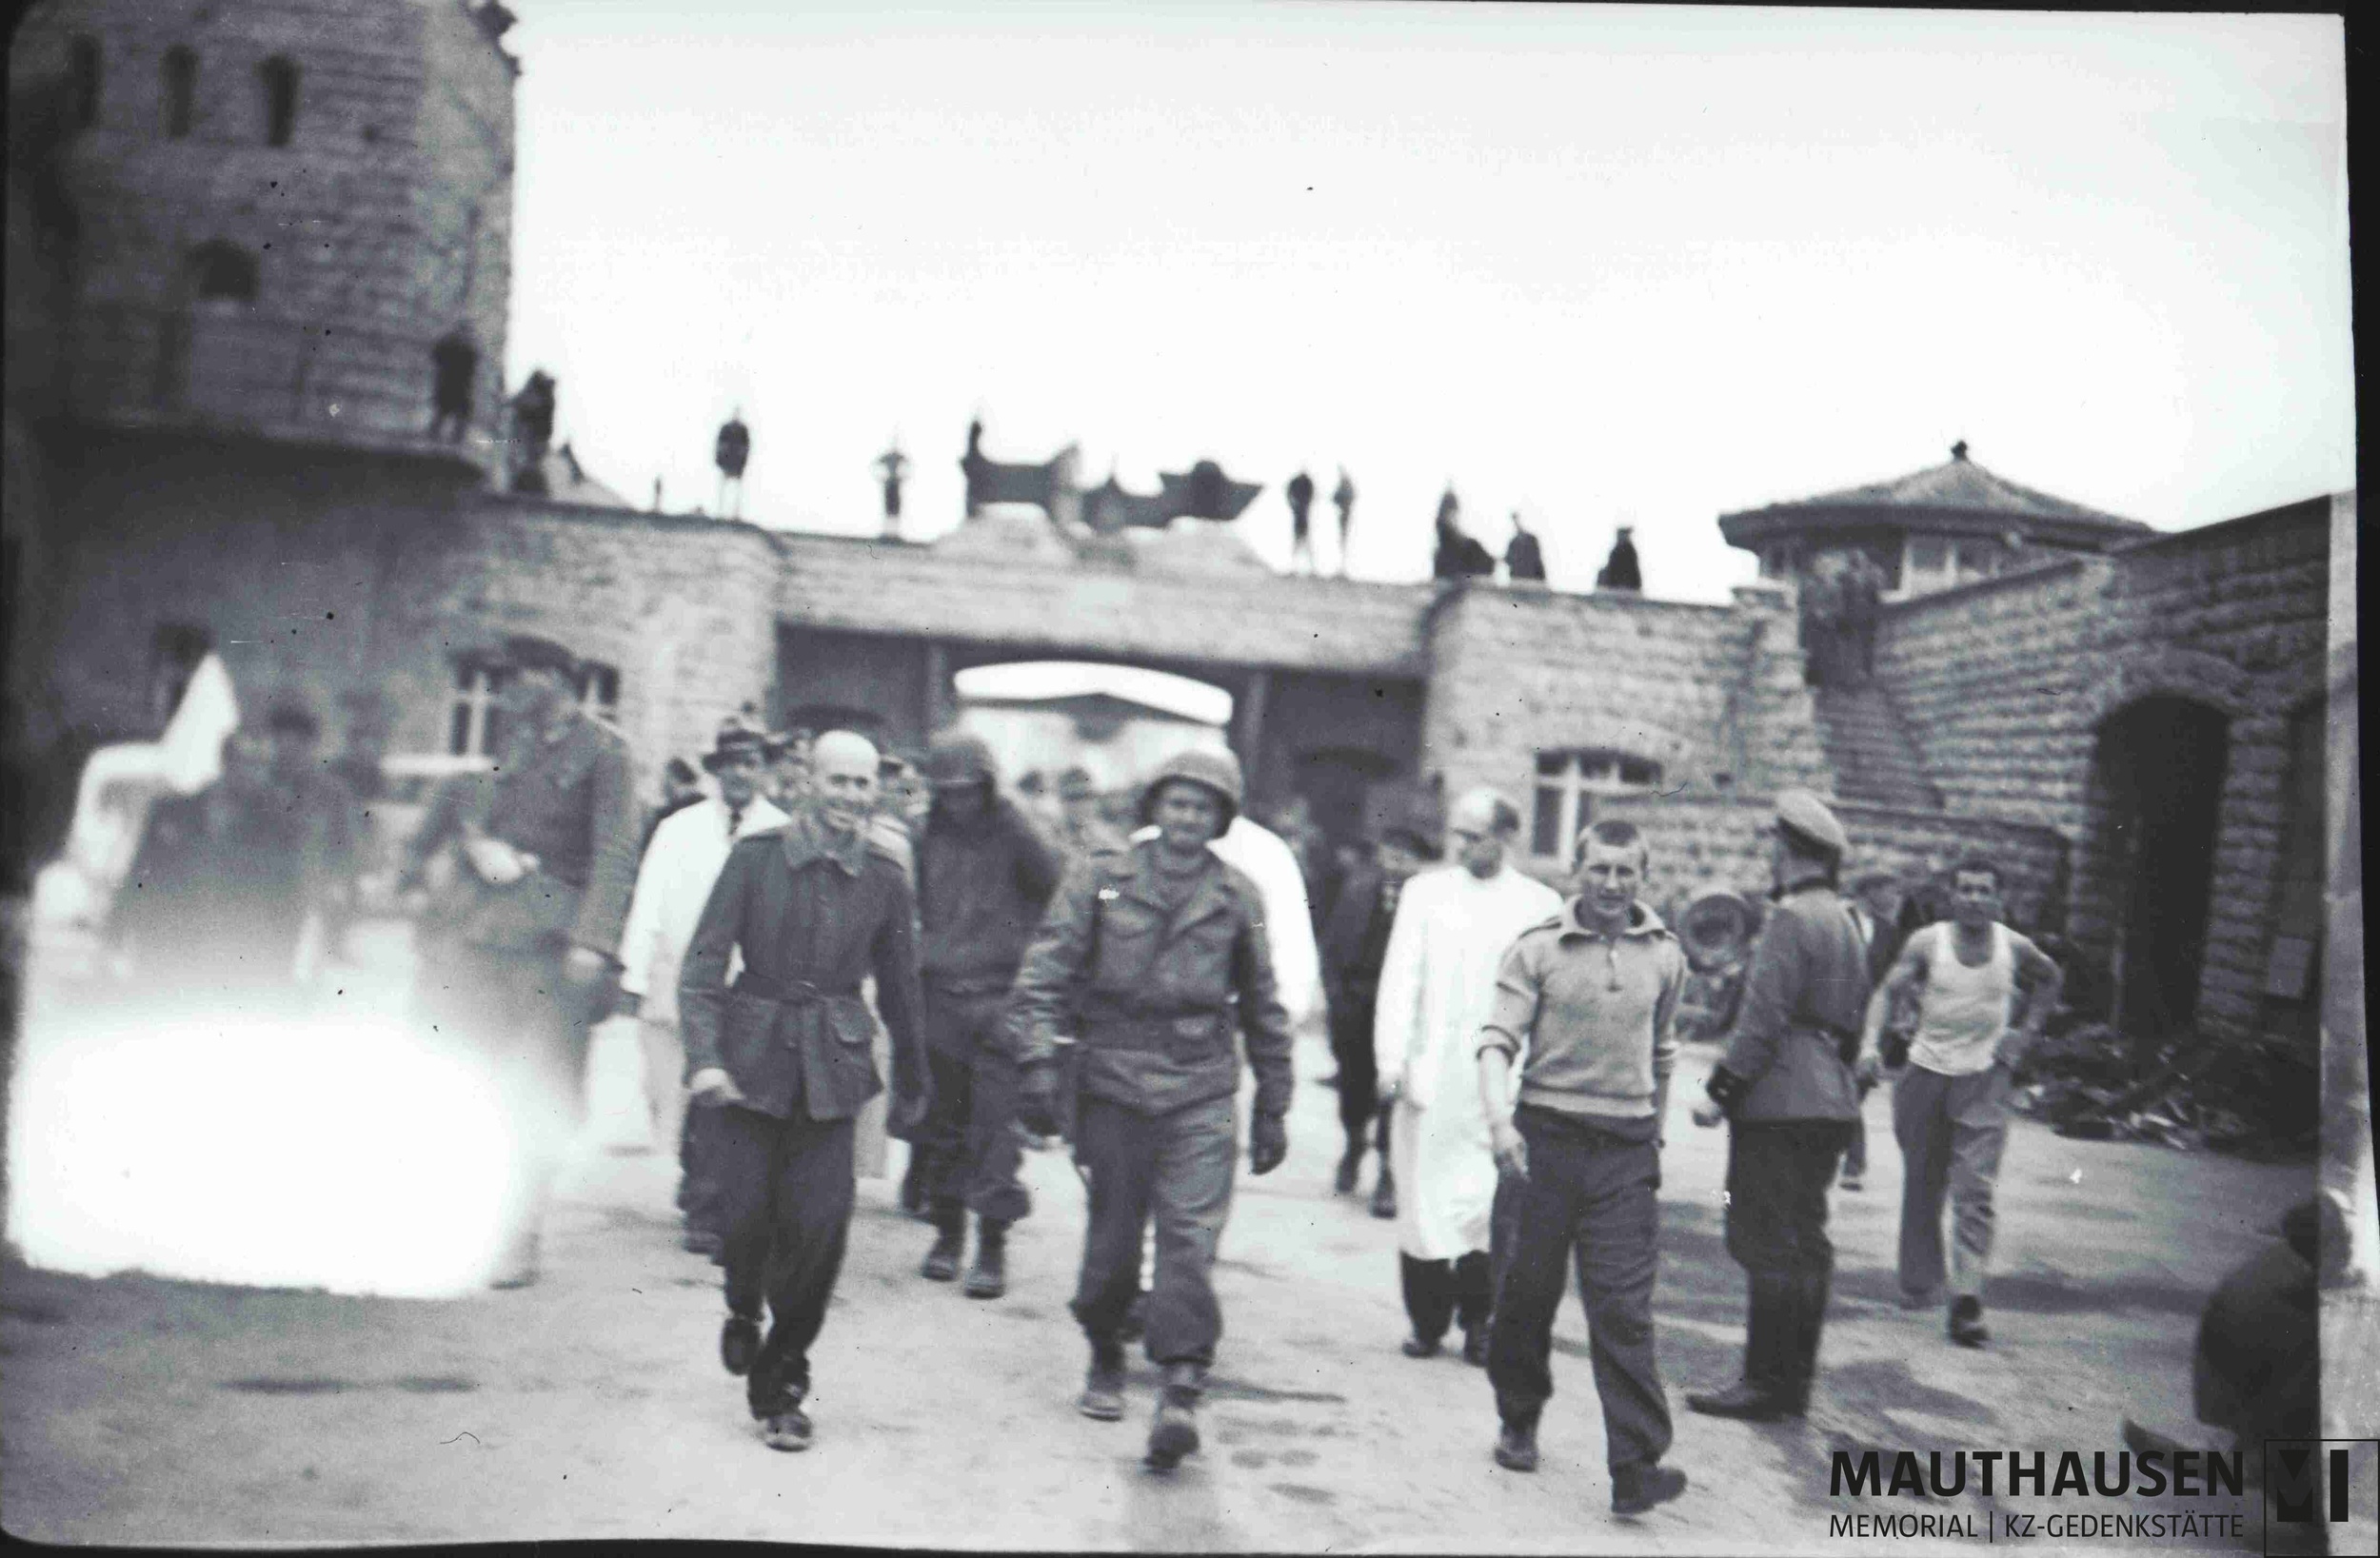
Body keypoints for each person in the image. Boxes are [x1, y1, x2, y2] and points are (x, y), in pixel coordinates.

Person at [1008, 747, 1295, 1469]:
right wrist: (1040, 1061)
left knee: (1189, 1241)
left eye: (1202, 807)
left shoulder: (1237, 897)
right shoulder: (1101, 878)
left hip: (1200, 1086)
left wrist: (1274, 1103)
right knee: (1112, 1240)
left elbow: (1263, 1002)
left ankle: (1180, 1382)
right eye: (1176, 803)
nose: (1187, 819)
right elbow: (1047, 969)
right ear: (1153, 808)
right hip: (1113, 1081)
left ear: (1221, 818)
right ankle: (1106, 1348)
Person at [676, 728, 931, 1453]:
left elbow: (905, 984)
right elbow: (702, 967)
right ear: (805, 782)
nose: (851, 795)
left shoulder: (885, 873)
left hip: (834, 1067)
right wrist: (704, 1058)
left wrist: (915, 1076)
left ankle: (783, 1380)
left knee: (819, 1232)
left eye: (863, 783)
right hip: (750, 1060)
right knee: (746, 1218)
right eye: (838, 780)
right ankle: (740, 1304)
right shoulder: (756, 858)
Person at [399, 635, 641, 1289]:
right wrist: (479, 843)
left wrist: (595, 941)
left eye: (516, 678)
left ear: (557, 678)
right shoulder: (518, 744)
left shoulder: (606, 753)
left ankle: (520, 1232)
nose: (502, 691)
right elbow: (481, 811)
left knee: (540, 1091)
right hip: (484, 935)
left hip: (553, 951)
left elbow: (617, 853)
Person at [1476, 818, 1688, 1516]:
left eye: (1627, 871)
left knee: (1623, 1308)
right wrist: (1500, 1122)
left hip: (1624, 1152)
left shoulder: (1664, 955)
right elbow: (1495, 1043)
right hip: (1545, 1141)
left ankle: (1634, 1462)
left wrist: (1651, 1135)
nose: (1612, 883)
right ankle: (1519, 1415)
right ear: (1577, 869)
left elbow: (1662, 1054)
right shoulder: (1537, 948)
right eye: (1600, 868)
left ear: (1642, 877)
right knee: (1526, 1292)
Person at [1686, 790, 1868, 1422]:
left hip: (1781, 1099)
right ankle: (1791, 1383)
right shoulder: (1844, 917)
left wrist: (1720, 1091)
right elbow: (1852, 1018)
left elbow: (1762, 1021)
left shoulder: (1790, 917)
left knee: (1764, 1237)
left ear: (1787, 849)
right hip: (1828, 1096)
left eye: (1772, 842)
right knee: (1805, 1240)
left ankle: (1762, 1381)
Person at [1376, 789, 1560, 1358]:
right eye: (1455, 834)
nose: (1458, 846)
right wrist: (1391, 1059)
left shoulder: (1538, 904)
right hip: (1432, 1071)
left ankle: (1481, 1321)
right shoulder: (1425, 893)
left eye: (1472, 836)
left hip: (1499, 1078)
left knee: (1489, 1205)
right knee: (1424, 1203)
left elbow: (1547, 994)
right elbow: (1401, 979)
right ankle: (1427, 1320)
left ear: (1503, 839)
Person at [1857, 856, 2063, 1347]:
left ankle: (1967, 1299)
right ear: (1953, 896)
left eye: (1983, 890)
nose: (1974, 898)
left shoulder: (2014, 947)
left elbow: (2051, 977)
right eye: (1965, 889)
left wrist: (2025, 1034)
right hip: (1925, 1075)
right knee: (1924, 1182)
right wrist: (1869, 1044)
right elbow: (1887, 991)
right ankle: (1923, 1281)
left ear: (1998, 899)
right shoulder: (1929, 942)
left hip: (1985, 1078)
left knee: (1975, 1191)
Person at [615, 720, 789, 1252]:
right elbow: (648, 897)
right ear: (716, 772)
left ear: (765, 772)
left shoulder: (781, 831)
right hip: (686, 977)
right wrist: (635, 971)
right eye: (731, 763)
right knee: (692, 1087)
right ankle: (700, 1199)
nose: (741, 772)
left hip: (752, 980)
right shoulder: (680, 827)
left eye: (752, 762)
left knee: (736, 1091)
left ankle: (721, 1199)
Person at [911, 730, 1064, 1299]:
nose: (959, 803)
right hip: (941, 998)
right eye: (947, 793)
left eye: (968, 791)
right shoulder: (926, 834)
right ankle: (948, 1234)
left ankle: (992, 1244)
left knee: (995, 1130)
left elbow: (1061, 903)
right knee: (942, 1126)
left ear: (987, 786)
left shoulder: (1019, 834)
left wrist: (1033, 982)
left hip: (1002, 1000)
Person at [109, 727, 314, 998]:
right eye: (246, 763)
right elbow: (139, 879)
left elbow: (291, 900)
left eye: (262, 766)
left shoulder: (279, 828)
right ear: (226, 763)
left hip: (239, 964)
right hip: (172, 957)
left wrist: (280, 967)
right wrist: (115, 936)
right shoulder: (173, 813)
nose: (254, 774)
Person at [1318, 803, 1440, 1211]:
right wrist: (1336, 998)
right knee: (1354, 1086)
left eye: (1406, 857)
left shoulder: (1428, 903)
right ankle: (1354, 1147)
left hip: (1401, 1010)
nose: (1396, 864)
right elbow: (1332, 948)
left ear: (1419, 863)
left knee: (1393, 1089)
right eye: (1390, 854)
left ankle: (1389, 1171)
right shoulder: (1356, 890)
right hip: (1356, 1003)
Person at [1837, 870, 1908, 1192]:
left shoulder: (1890, 933)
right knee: (1842, 1091)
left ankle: (1848, 1159)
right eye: (1891, 890)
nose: (1895, 898)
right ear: (1871, 890)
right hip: (1836, 1022)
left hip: (1871, 1028)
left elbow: (1893, 986)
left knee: (1853, 1093)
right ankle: (1853, 1162)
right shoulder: (1840, 920)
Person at [1054, 766, 1128, 873]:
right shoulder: (1051, 840)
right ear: (1061, 801)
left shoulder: (1109, 837)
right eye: (1074, 798)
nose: (1081, 805)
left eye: (1087, 797)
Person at [642, 758, 706, 856]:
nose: (661, 785)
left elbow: (648, 851)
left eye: (663, 779)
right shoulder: (707, 806)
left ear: (672, 779)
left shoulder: (665, 815)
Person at [1285, 470, 1317, 575]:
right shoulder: (1303, 482)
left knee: (1302, 542)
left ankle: (1306, 567)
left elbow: (1312, 495)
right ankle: (1296, 567)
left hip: (1302, 517)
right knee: (1301, 543)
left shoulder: (1305, 482)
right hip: (1300, 517)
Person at [1596, 526, 1642, 592]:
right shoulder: (1615, 551)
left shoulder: (1630, 551)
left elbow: (1634, 571)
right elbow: (1612, 569)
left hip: (1628, 586)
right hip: (1614, 584)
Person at [1504, 515, 1546, 583]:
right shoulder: (1513, 542)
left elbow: (1536, 558)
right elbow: (1508, 559)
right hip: (1518, 578)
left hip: (1532, 578)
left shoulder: (1531, 539)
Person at [1332, 468, 1357, 575]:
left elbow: (1337, 498)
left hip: (1345, 515)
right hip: (1343, 514)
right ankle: (1341, 567)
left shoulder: (1346, 486)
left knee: (1343, 540)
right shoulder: (1345, 486)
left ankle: (1343, 567)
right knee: (1341, 540)